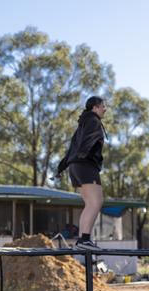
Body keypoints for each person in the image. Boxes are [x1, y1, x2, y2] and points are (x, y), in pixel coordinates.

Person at [56, 96, 108, 250]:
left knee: (90, 203)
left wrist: (63, 166)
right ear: (95, 107)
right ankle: (85, 240)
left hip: (76, 166)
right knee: (97, 202)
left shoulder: (83, 123)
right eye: (103, 106)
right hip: (85, 165)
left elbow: (72, 147)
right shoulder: (93, 121)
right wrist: (83, 157)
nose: (105, 109)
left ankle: (82, 240)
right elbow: (86, 143)